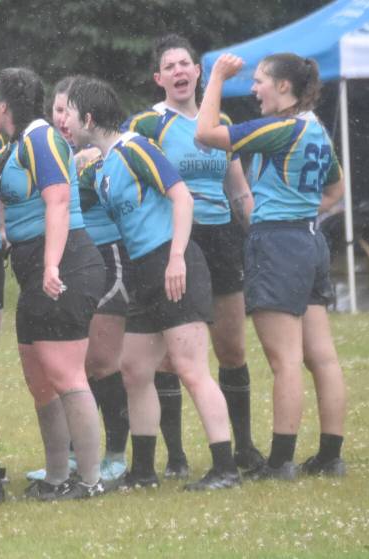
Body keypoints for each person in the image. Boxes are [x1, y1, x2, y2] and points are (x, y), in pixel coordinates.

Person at [65, 77, 240, 491]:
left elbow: (182, 197)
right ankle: (143, 471)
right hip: (142, 270)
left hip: (172, 262)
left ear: (88, 118)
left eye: (68, 113)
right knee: (135, 370)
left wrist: (177, 257)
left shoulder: (136, 147)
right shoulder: (103, 167)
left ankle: (225, 468)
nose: (64, 121)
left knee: (191, 368)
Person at [196, 52, 347, 479]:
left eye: (260, 80)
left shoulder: (281, 128)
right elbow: (335, 189)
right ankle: (331, 457)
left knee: (285, 360)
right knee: (323, 359)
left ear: (283, 86)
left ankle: (280, 462)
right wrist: (301, 210)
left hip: (278, 244)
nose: (254, 88)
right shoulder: (315, 128)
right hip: (310, 240)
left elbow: (205, 133)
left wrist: (216, 78)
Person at [124, 35, 264, 478]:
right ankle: (176, 457)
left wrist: (259, 234)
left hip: (221, 239)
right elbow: (121, 163)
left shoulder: (220, 120)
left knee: (232, 348)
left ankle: (243, 448)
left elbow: (238, 190)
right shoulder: (148, 124)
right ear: (159, 78)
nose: (179, 71)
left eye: (185, 63)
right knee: (172, 356)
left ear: (198, 72)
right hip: (176, 240)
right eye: (170, 67)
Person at [0, 68, 106, 500]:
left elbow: (58, 200)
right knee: (39, 378)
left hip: (64, 262)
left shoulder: (41, 138)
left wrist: (52, 265)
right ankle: (56, 478)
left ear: (3, 104)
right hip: (33, 268)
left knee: (66, 374)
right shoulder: (15, 146)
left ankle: (89, 481)